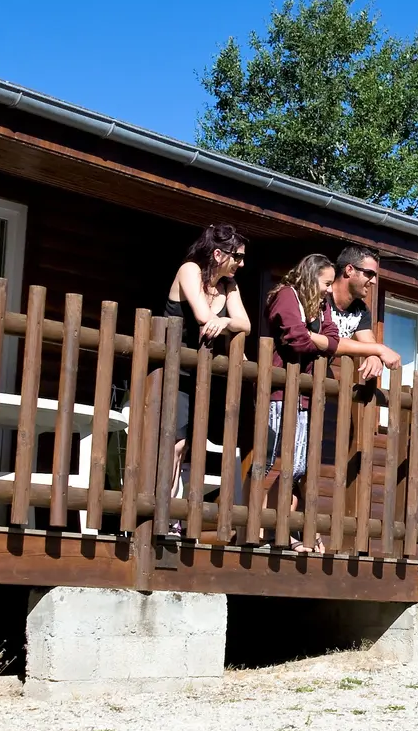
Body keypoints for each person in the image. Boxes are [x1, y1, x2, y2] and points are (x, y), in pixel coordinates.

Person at [259, 254, 400, 550]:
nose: (328, 290)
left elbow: (331, 339)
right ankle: (261, 531)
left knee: (297, 466)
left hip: (308, 395)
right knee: (275, 463)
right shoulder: (287, 296)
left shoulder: (324, 307)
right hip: (282, 391)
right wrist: (357, 347)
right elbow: (298, 339)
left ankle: (283, 531)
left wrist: (368, 350)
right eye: (325, 283)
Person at [164, 224, 250, 527]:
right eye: (237, 257)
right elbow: (202, 315)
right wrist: (218, 319)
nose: (241, 264)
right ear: (218, 253)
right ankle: (164, 512)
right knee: (171, 444)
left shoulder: (229, 286)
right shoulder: (189, 270)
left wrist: (224, 321)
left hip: (196, 374)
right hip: (170, 368)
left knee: (183, 446)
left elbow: (245, 324)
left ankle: (170, 513)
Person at [326, 246, 401, 382]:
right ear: (349, 270)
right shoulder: (321, 298)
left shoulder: (360, 309)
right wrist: (379, 349)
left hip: (315, 387)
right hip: (288, 378)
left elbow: (368, 343)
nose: (373, 281)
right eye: (369, 273)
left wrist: (373, 356)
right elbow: (327, 341)